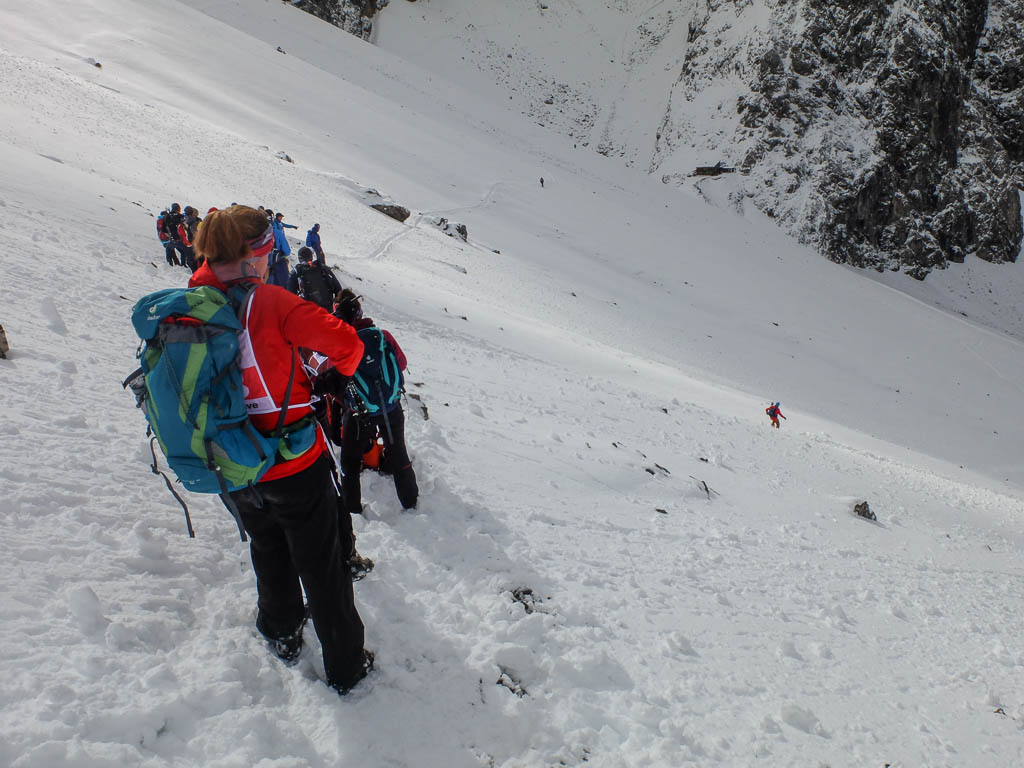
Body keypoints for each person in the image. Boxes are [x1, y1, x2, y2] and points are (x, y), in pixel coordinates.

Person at [189, 205, 373, 695]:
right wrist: (332, 375)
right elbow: (348, 346)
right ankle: (345, 665)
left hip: (232, 460)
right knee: (322, 565)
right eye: (270, 254)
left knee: (268, 548)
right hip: (292, 461)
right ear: (256, 255)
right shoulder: (271, 302)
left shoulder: (193, 299)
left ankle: (281, 631)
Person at [332, 288, 418, 514]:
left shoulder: (343, 342)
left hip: (359, 412)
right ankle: (410, 504)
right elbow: (401, 363)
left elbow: (336, 378)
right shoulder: (382, 335)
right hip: (390, 406)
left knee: (350, 462)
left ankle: (352, 509)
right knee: (398, 452)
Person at [269, 211, 297, 287]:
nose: (281, 218)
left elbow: (286, 225)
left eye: (282, 217)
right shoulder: (275, 223)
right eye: (280, 216)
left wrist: (293, 226)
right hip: (278, 246)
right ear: (277, 217)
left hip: (280, 244)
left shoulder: (280, 223)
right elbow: (277, 235)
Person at [160, 203, 193, 268]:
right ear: (178, 209)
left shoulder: (167, 217)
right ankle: (184, 265)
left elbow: (163, 230)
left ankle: (171, 264)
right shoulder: (181, 216)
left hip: (172, 239)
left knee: (168, 249)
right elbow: (186, 227)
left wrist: (170, 236)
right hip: (181, 239)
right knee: (185, 252)